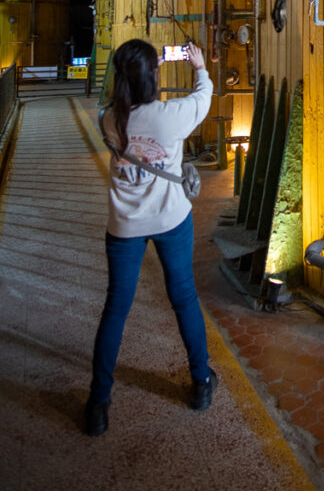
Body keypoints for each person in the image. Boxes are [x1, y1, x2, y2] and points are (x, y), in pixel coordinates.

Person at [86, 38, 215, 436]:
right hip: (170, 218)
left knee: (115, 310)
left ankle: (98, 404)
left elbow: (120, 98)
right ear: (152, 77)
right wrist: (199, 66)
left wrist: (144, 68)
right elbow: (204, 97)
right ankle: (200, 381)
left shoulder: (109, 118)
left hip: (124, 225)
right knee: (183, 298)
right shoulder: (167, 116)